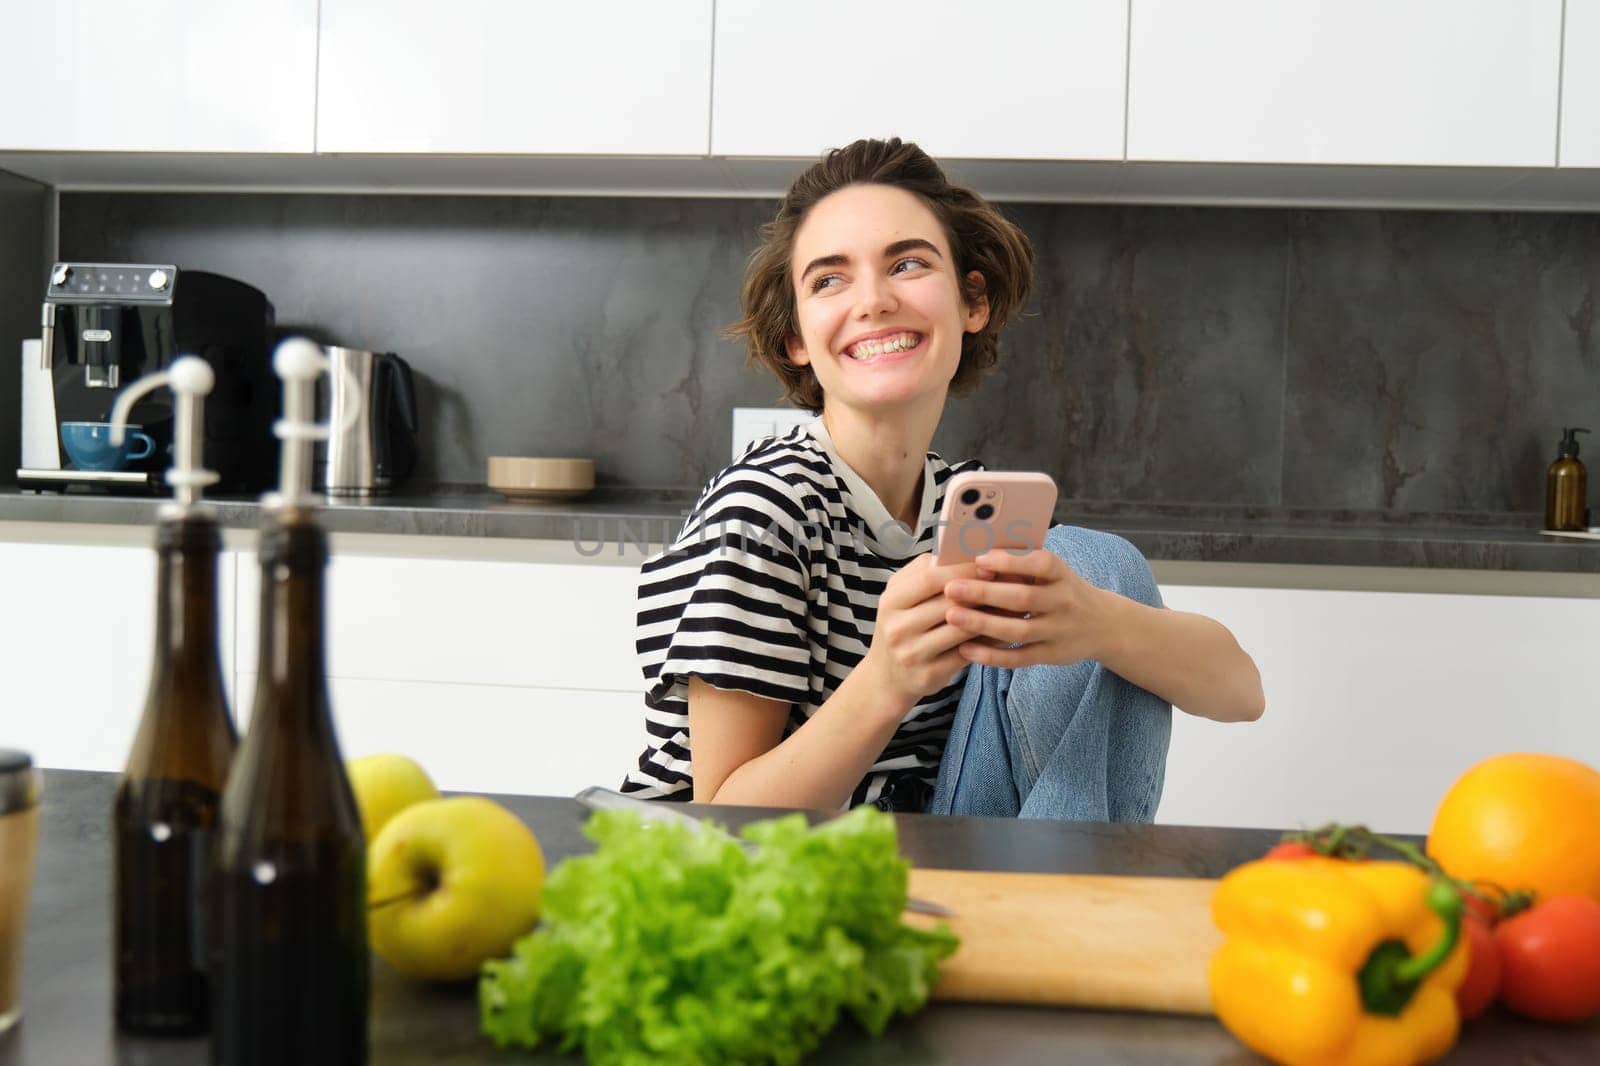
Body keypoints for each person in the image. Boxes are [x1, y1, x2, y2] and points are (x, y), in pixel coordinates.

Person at [620, 138, 1263, 818]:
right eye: (829, 279)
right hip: (760, 867)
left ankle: (1058, 895)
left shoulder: (970, 506)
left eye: (907, 263)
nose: (872, 300)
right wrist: (886, 681)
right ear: (797, 339)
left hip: (934, 846)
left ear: (971, 302)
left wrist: (1093, 623)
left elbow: (1241, 694)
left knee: (1096, 566)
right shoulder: (763, 510)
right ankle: (1064, 904)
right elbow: (722, 817)